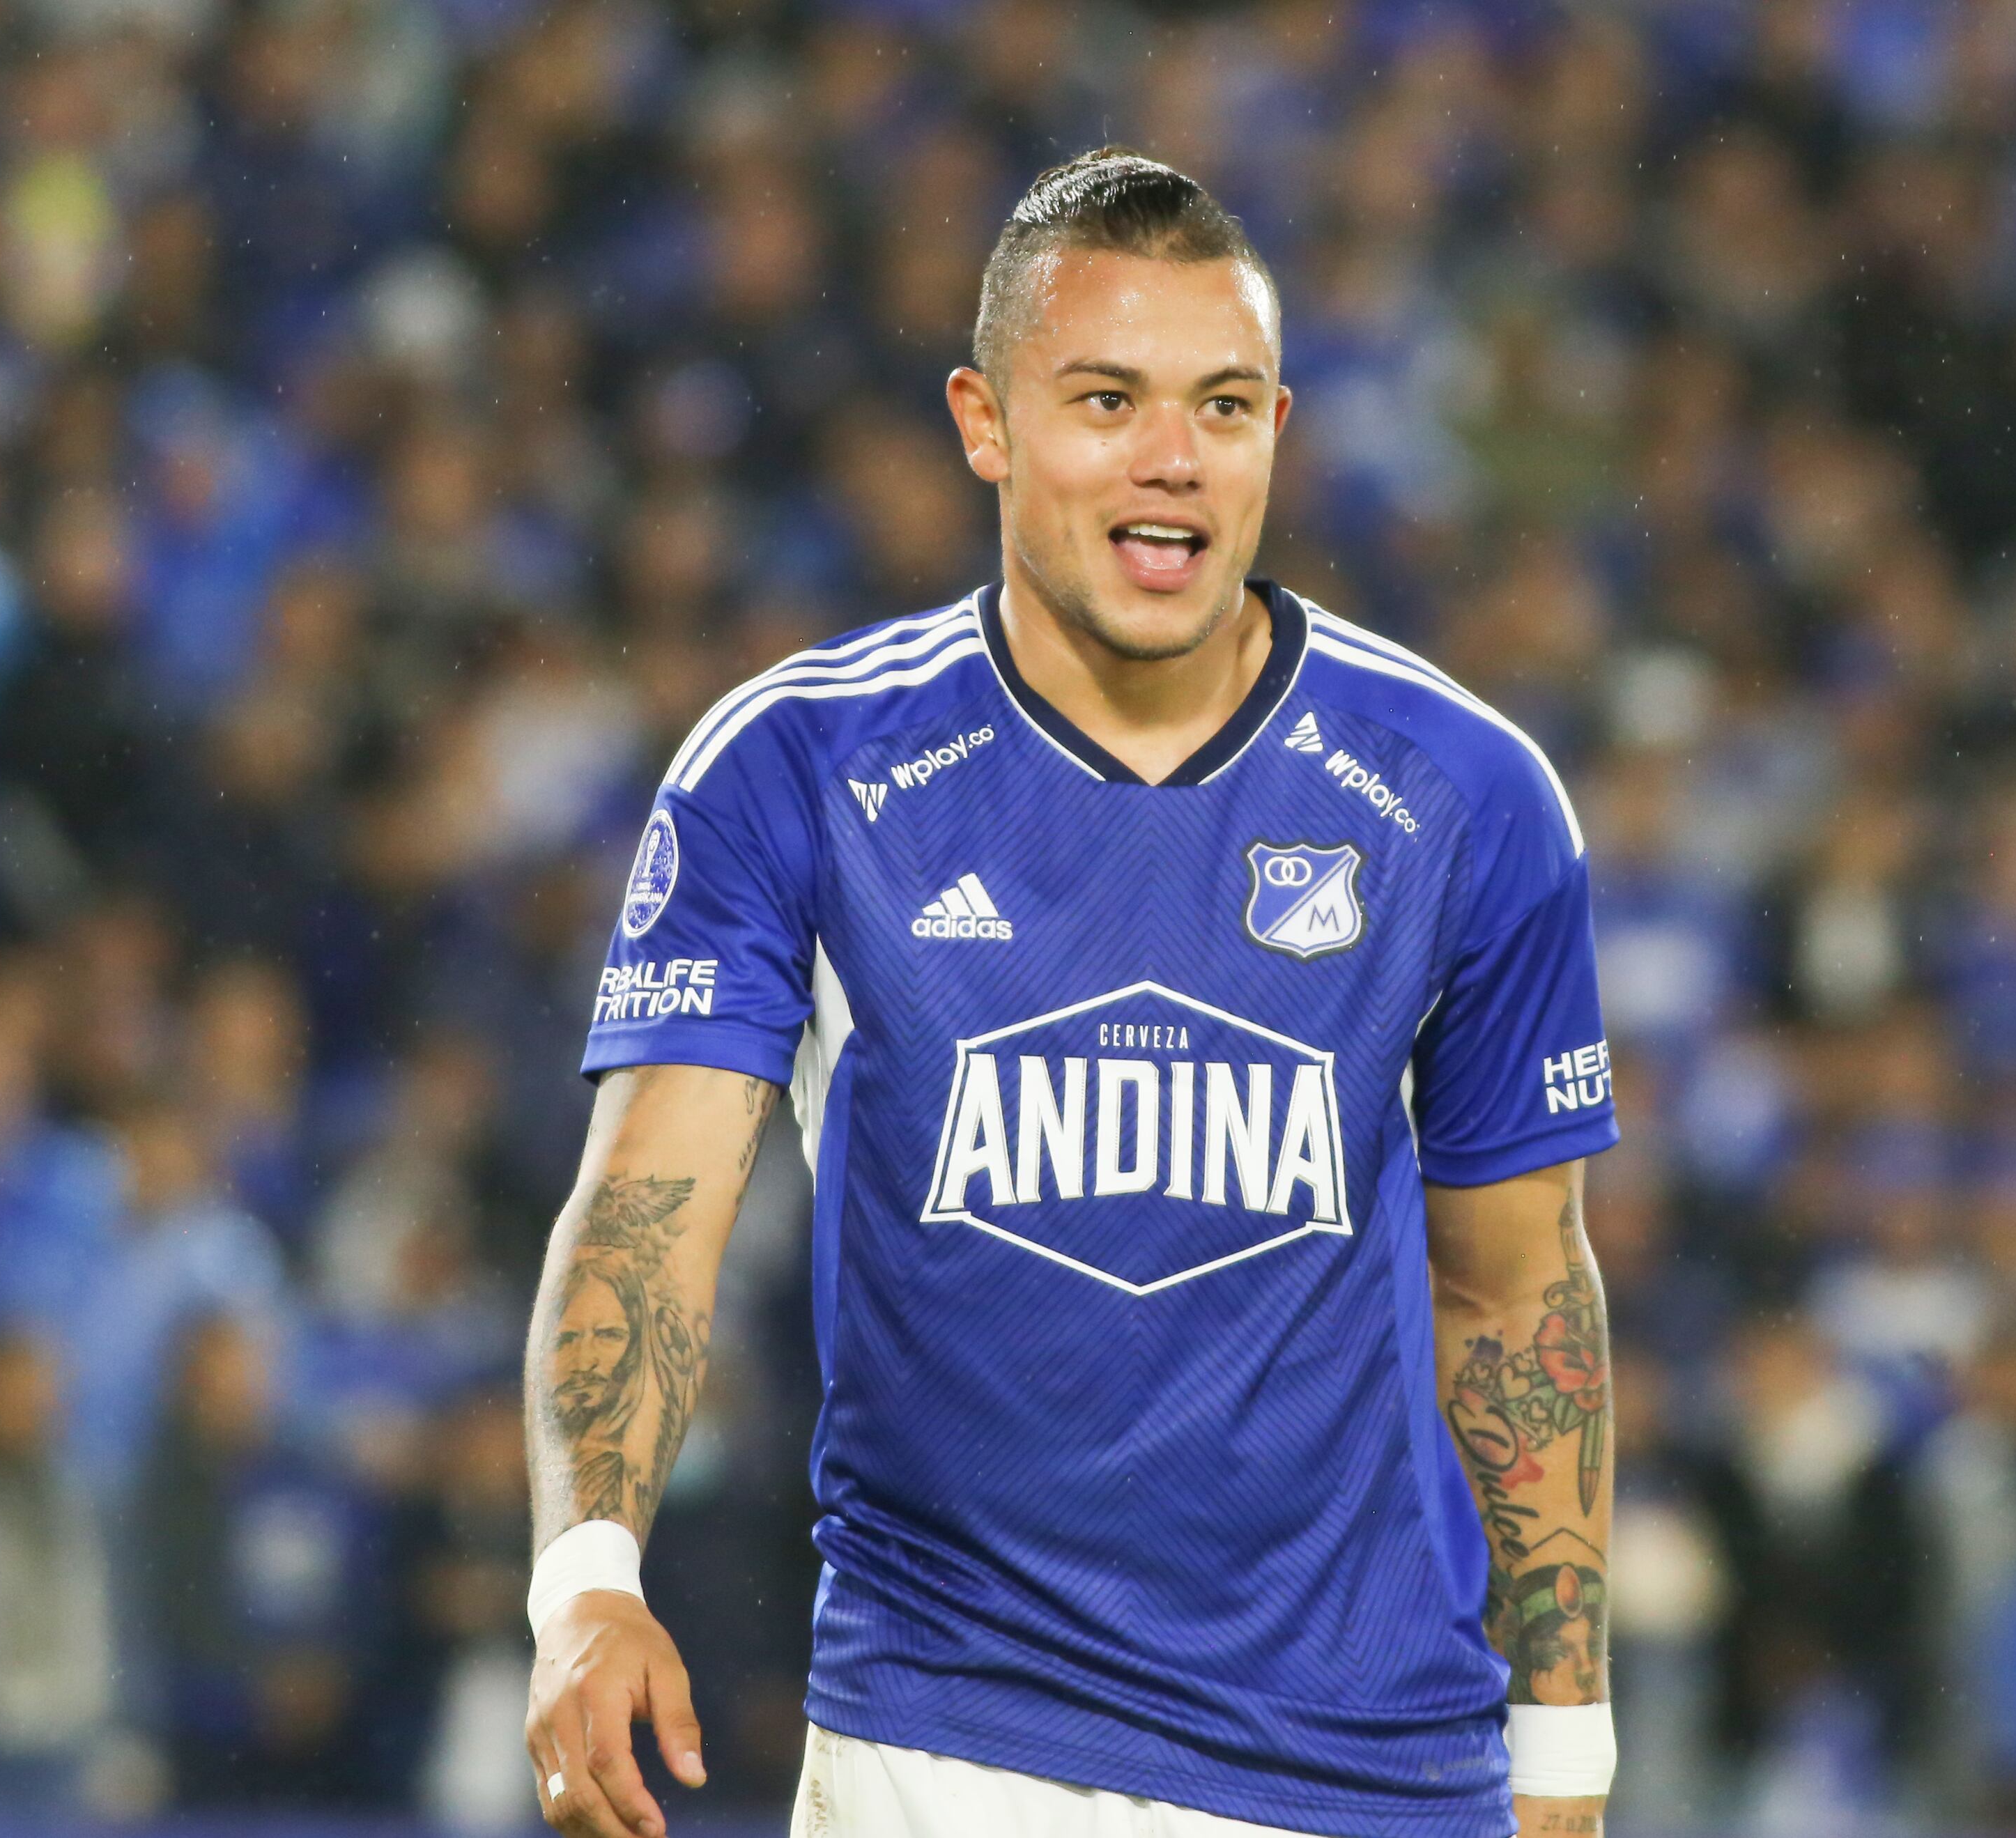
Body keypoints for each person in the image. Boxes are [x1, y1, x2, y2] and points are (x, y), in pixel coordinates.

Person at [521, 149, 1622, 1838]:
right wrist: (586, 1576)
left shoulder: (1465, 795)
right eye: (1106, 400)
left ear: (1276, 431)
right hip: (941, 1746)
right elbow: (645, 1205)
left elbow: (1515, 1288)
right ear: (985, 422)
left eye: (1223, 406)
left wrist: (1564, 1741)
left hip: (1366, 1769)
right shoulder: (799, 765)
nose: (1171, 457)